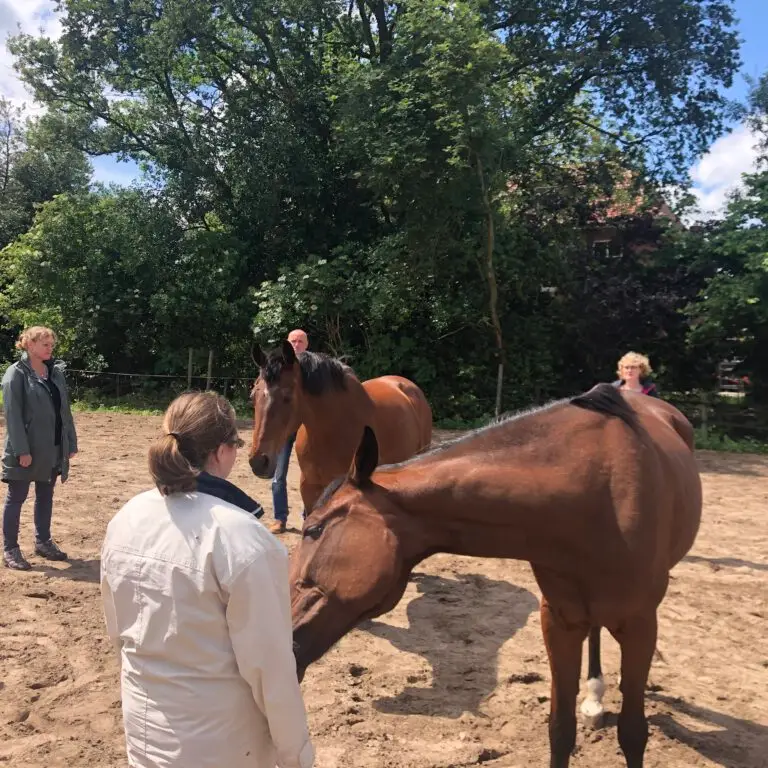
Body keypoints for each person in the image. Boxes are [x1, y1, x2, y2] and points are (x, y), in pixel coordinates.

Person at [100, 391, 314, 768]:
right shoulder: (244, 540)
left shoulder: (126, 518)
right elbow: (270, 668)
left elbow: (118, 631)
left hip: (145, 725)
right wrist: (297, 755)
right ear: (221, 452)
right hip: (223, 744)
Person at [2, 326, 78, 570]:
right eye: (45, 344)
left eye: (51, 344)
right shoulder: (15, 374)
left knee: (46, 496)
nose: (50, 348)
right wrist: (21, 450)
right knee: (17, 498)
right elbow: (12, 417)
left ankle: (43, 542)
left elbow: (63, 412)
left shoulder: (54, 373)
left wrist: (70, 442)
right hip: (26, 450)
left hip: (52, 448)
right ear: (30, 345)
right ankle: (10, 549)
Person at [268, 328, 309, 535]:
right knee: (278, 475)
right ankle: (279, 518)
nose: (296, 344)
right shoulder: (279, 367)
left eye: (300, 341)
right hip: (285, 428)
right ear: (287, 342)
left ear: (307, 344)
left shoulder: (313, 368)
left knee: (309, 474)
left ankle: (308, 517)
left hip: (306, 429)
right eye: (293, 340)